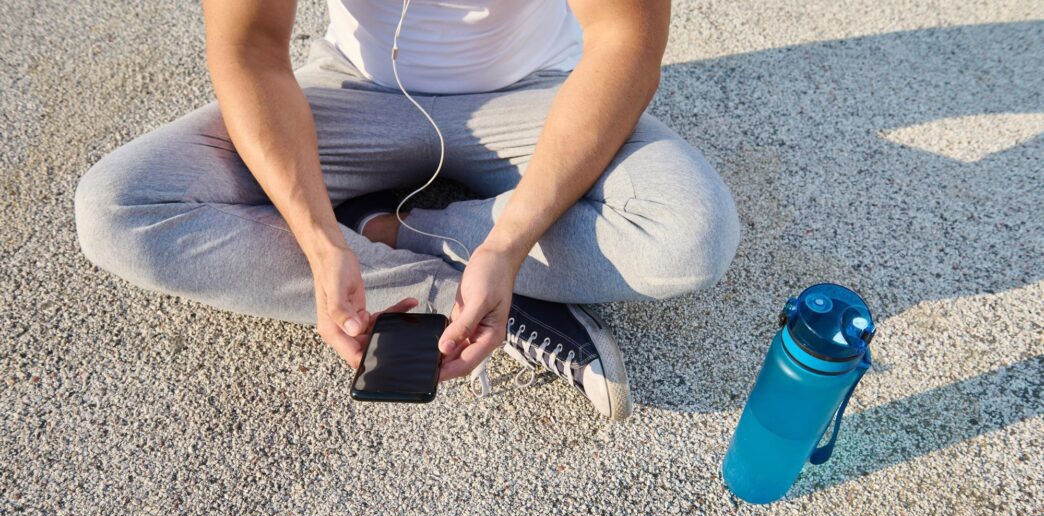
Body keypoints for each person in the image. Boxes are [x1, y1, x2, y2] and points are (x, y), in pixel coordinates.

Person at [74, 0, 740, 420]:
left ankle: (393, 229)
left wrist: (507, 244)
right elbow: (248, 47)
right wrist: (317, 241)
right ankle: (479, 298)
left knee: (688, 236)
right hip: (353, 92)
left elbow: (625, 43)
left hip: (534, 97)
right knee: (120, 208)